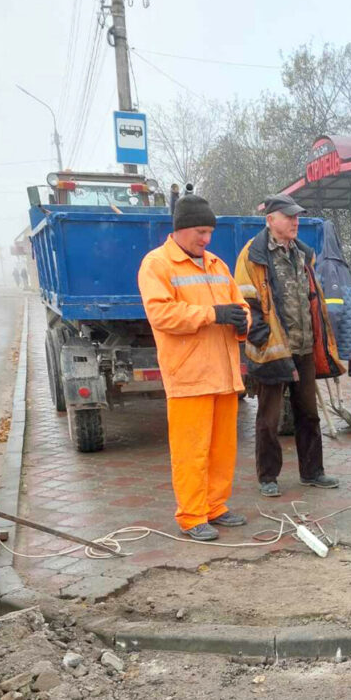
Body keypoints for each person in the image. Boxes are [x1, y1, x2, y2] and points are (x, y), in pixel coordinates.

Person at [138, 193, 250, 541]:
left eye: (210, 232)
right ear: (181, 229)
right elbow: (161, 314)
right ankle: (191, 515)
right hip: (189, 377)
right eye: (201, 231)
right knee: (191, 451)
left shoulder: (216, 264)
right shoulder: (157, 265)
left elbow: (239, 304)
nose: (206, 239)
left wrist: (243, 320)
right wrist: (213, 315)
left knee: (221, 448)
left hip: (224, 373)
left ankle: (215, 506)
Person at [234, 193, 344, 497]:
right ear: (271, 220)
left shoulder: (301, 254)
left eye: (297, 216)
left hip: (304, 349)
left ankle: (313, 472)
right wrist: (260, 336)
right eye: (289, 216)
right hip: (271, 350)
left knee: (308, 413)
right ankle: (268, 477)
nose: (296, 222)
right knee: (268, 419)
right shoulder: (252, 255)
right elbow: (245, 299)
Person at [314, 220, 351, 372]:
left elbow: (333, 309)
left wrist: (329, 345)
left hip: (343, 338)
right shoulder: (341, 266)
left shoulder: (328, 267)